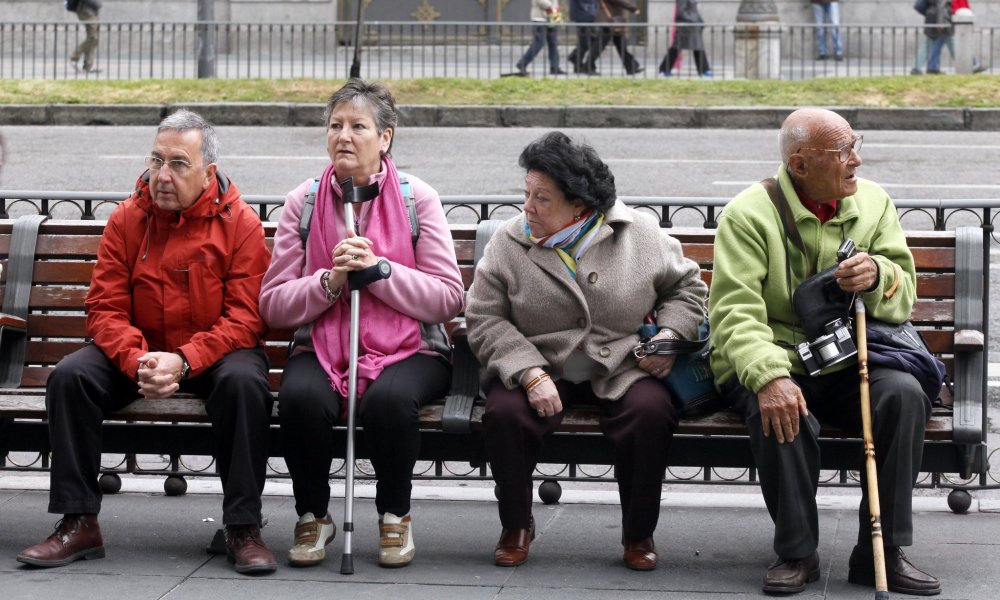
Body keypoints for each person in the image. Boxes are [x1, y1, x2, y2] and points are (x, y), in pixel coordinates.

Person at [16, 109, 278, 575]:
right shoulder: (127, 218)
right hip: (140, 355)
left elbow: (245, 318)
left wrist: (184, 360)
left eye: (178, 164)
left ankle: (243, 527)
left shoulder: (239, 223)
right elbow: (104, 308)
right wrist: (139, 361)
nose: (162, 175)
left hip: (214, 356)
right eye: (156, 161)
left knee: (245, 383)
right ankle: (78, 522)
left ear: (208, 172)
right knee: (71, 377)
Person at [709, 108, 941, 596]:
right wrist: (770, 376)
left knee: (903, 396)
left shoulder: (873, 202)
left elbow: (903, 295)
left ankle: (881, 551)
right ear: (800, 164)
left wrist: (877, 275)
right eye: (843, 151)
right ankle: (797, 552)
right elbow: (734, 312)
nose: (857, 159)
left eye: (855, 144)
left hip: (845, 357)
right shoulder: (748, 214)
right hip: (771, 357)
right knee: (783, 409)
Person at [466, 131, 708, 571]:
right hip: (539, 362)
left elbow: (687, 289)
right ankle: (516, 525)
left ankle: (638, 532)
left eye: (542, 198)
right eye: (526, 193)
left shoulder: (638, 234)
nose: (527, 207)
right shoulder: (509, 242)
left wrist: (669, 336)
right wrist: (529, 372)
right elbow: (484, 318)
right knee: (505, 412)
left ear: (578, 205)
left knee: (650, 411)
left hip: (622, 362)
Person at [258, 79, 464, 569]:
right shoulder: (304, 201)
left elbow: (447, 297)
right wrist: (329, 282)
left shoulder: (418, 198)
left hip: (412, 348)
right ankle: (313, 513)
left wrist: (380, 271)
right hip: (323, 346)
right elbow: (273, 305)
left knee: (391, 402)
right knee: (301, 397)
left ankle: (395, 514)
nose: (343, 137)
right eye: (335, 126)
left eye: (358, 126)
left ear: (385, 137)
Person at [587, 0, 643, 75]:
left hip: (613, 21)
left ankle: (631, 67)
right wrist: (633, 8)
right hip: (608, 22)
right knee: (599, 46)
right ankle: (588, 67)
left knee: (621, 45)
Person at [658, 0, 712, 77]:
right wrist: (694, 21)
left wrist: (700, 22)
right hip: (685, 27)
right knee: (676, 48)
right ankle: (664, 69)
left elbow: (694, 11)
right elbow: (681, 12)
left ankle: (704, 69)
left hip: (693, 27)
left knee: (698, 47)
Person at [515, 0, 567, 76]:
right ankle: (522, 63)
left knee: (553, 43)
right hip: (540, 19)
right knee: (539, 42)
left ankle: (555, 67)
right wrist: (552, 4)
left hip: (551, 18)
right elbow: (543, 3)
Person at [68, 0, 102, 73]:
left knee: (93, 40)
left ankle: (87, 66)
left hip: (91, 12)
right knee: (93, 38)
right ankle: (74, 56)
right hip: (86, 12)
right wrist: (97, 3)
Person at [568, 0, 601, 75]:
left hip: (586, 16)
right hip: (584, 17)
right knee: (588, 42)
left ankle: (576, 61)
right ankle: (586, 66)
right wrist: (592, 12)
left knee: (586, 42)